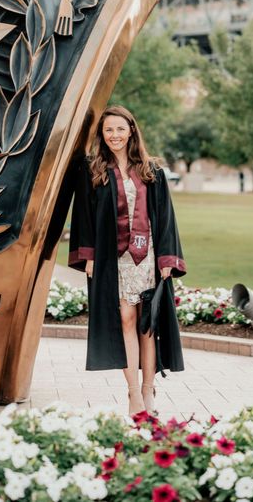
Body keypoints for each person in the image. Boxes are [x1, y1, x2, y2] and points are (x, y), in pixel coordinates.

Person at [68, 105, 186, 416]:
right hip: (112, 259)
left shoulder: (152, 171)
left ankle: (149, 390)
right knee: (125, 320)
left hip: (146, 258)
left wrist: (166, 259)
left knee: (147, 325)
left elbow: (167, 219)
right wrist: (88, 255)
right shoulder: (92, 170)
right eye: (109, 130)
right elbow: (83, 216)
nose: (115, 135)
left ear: (131, 130)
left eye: (120, 129)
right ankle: (133, 392)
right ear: (102, 134)